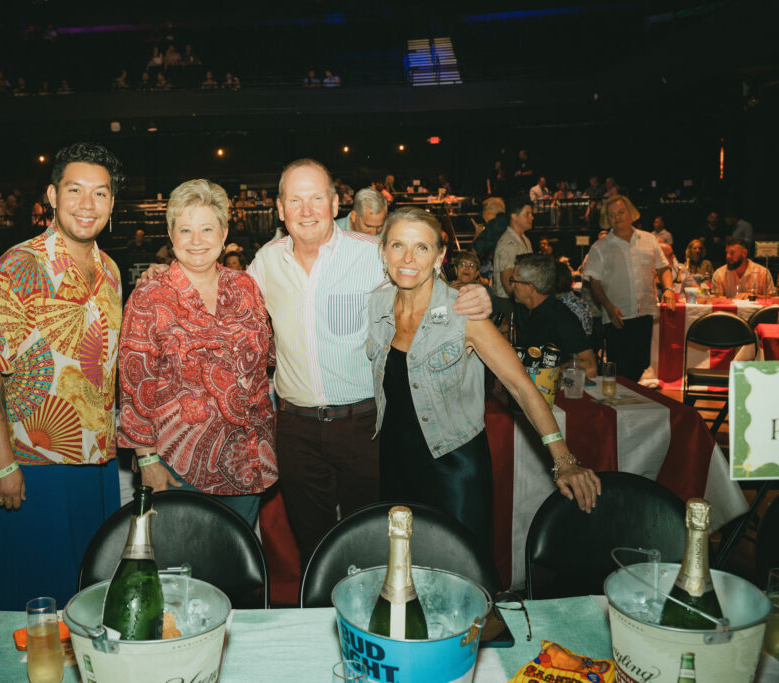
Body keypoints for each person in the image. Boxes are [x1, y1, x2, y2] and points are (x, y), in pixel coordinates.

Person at [248, 160, 492, 565]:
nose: (306, 211)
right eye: (295, 200)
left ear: (335, 204)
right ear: (279, 208)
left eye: (316, 199)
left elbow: (422, 283)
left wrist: (474, 295)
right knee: (312, 547)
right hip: (295, 429)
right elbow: (227, 303)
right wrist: (167, 276)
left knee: (373, 542)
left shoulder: (370, 254)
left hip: (365, 425)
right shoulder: (265, 262)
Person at [367, 208, 600, 550]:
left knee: (462, 568)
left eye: (422, 247)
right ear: (383, 251)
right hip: (395, 460)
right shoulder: (377, 305)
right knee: (403, 565)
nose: (408, 258)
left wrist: (564, 460)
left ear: (439, 257)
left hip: (453, 464)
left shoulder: (465, 313)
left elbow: (521, 386)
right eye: (398, 245)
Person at [0, 142, 125, 610]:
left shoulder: (110, 271)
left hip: (97, 461)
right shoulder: (17, 266)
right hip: (33, 463)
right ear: (53, 196)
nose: (87, 204)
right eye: (75, 190)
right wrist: (2, 461)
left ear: (112, 203)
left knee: (91, 597)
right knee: (35, 603)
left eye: (100, 193)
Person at [118, 180, 276, 527]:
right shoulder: (149, 296)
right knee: (182, 558)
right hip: (178, 465)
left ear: (224, 233)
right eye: (185, 229)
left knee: (237, 556)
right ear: (171, 235)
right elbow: (135, 386)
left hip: (247, 459)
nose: (196, 240)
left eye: (207, 228)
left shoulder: (246, 286)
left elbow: (268, 358)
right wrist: (147, 460)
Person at [582, 195, 675, 382]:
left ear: (631, 213)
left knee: (641, 365)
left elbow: (663, 267)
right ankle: (621, 400)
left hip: (644, 312)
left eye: (620, 212)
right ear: (607, 219)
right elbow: (594, 283)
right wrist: (609, 307)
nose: (616, 218)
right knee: (620, 369)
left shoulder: (649, 239)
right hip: (617, 316)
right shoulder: (600, 247)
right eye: (611, 215)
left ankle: (631, 398)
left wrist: (668, 289)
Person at [512, 255, 598, 378]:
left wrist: (552, 374)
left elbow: (590, 367)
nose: (511, 285)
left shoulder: (560, 317)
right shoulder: (522, 309)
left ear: (530, 287)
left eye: (514, 281)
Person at [492, 199, 534, 317]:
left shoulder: (525, 240)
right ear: (514, 216)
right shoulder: (508, 243)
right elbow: (507, 283)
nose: (532, 217)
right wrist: (524, 304)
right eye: (527, 214)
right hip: (509, 302)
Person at [470, 196, 508, 260]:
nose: (482, 215)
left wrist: (478, 233)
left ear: (490, 210)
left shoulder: (494, 225)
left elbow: (473, 253)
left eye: (483, 210)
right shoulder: (509, 223)